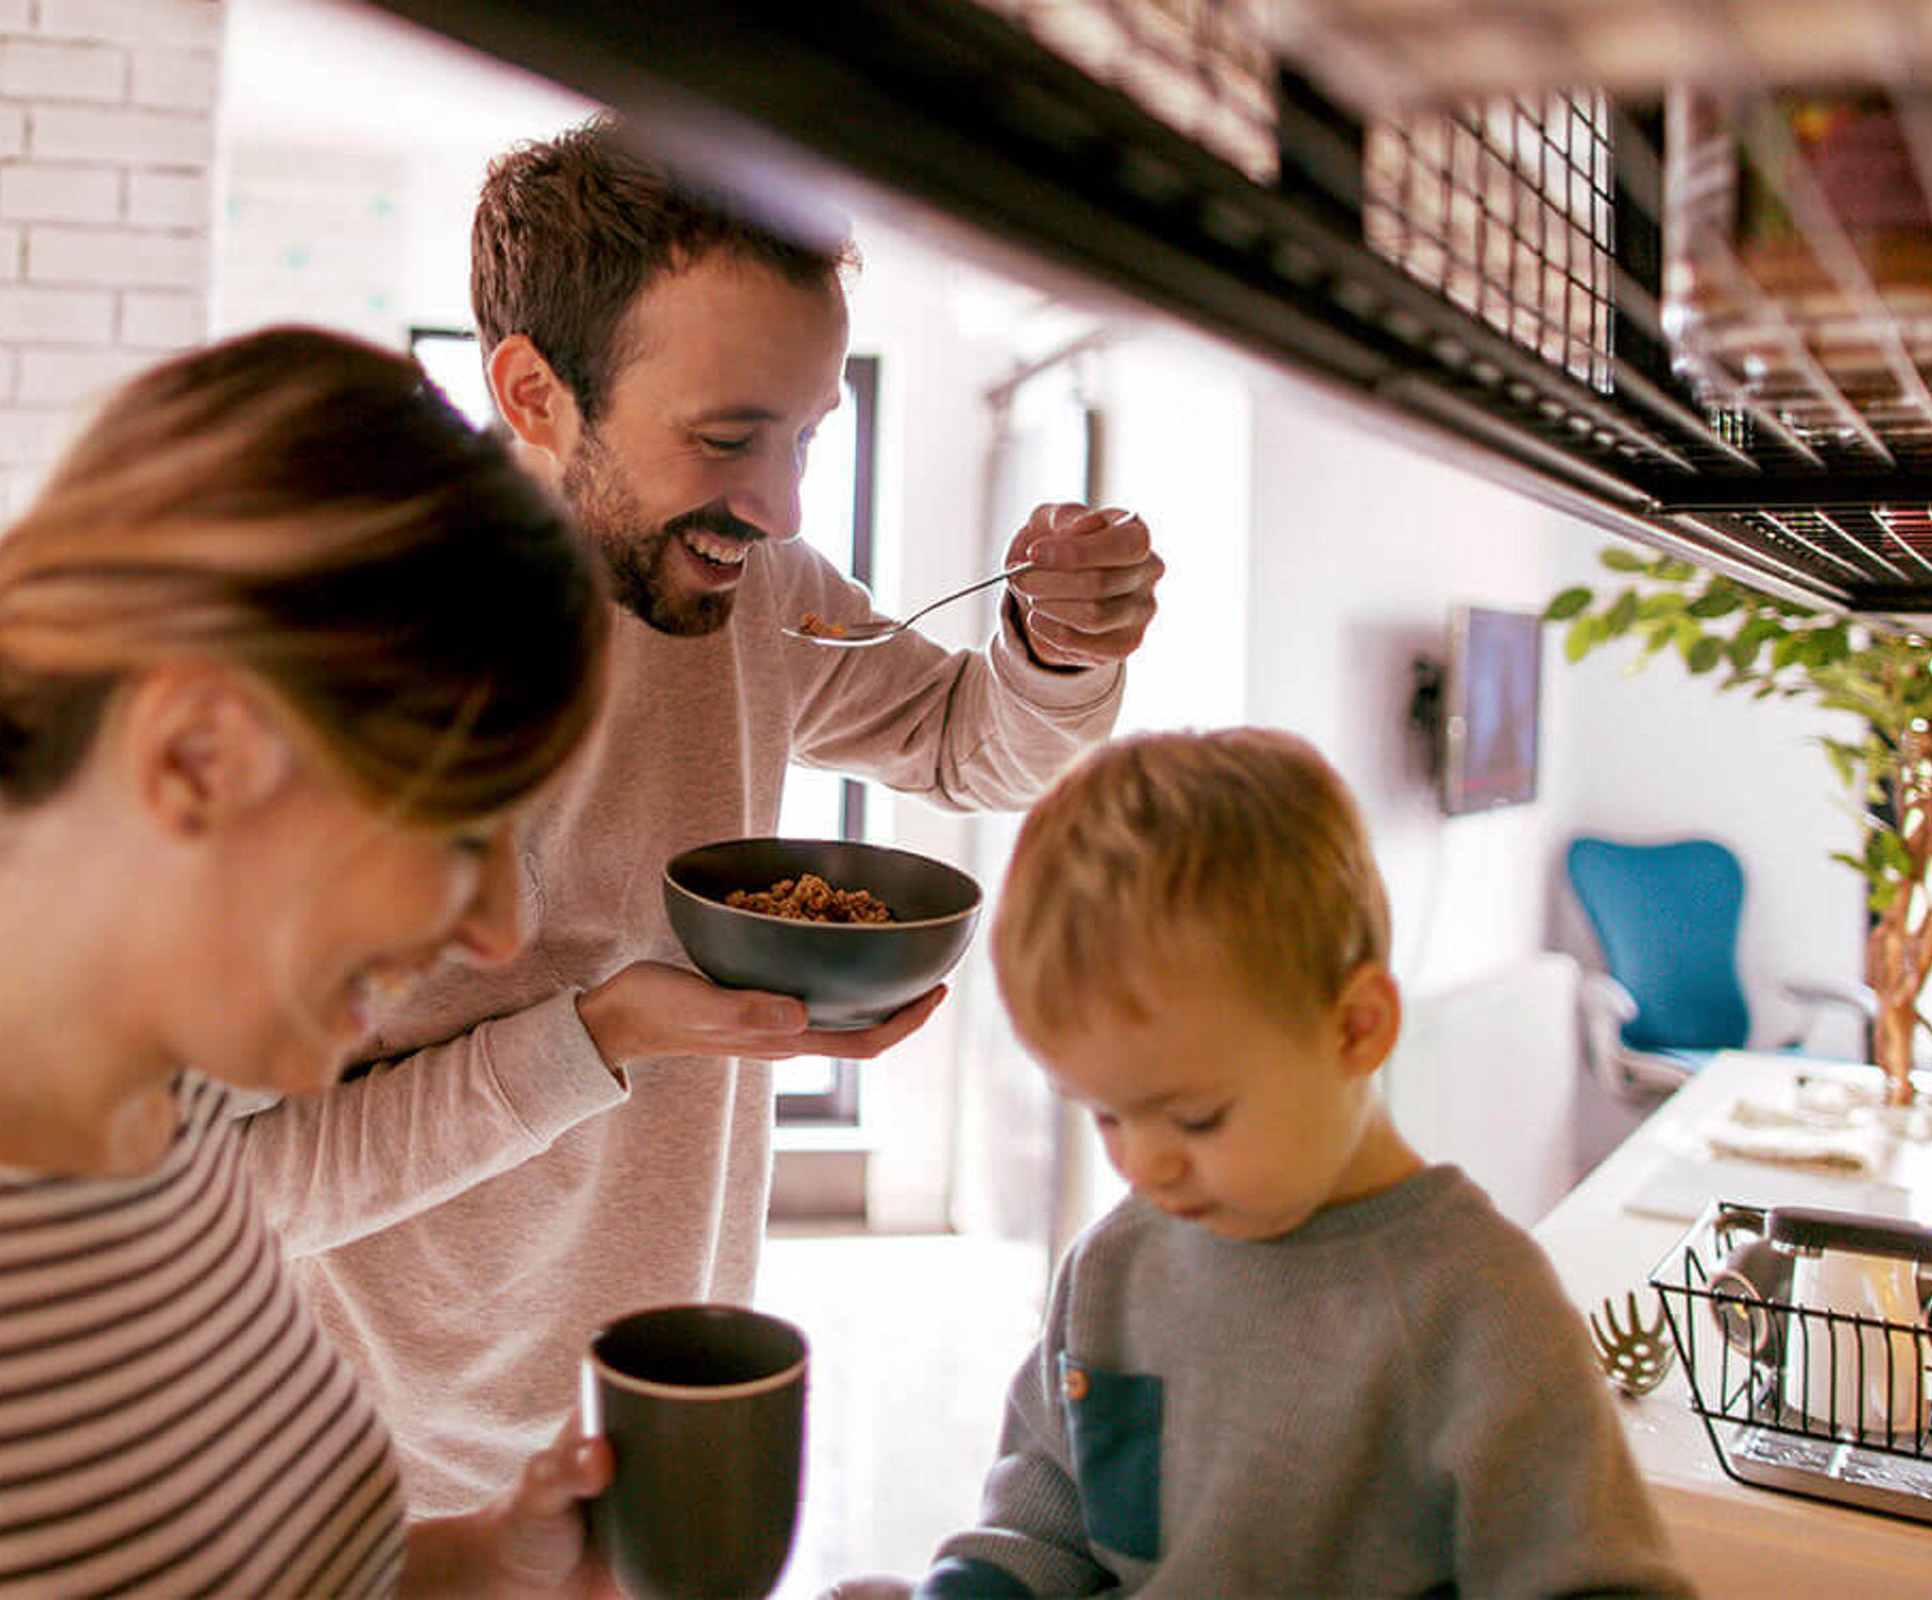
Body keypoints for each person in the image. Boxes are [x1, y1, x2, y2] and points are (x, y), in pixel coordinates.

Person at [232, 114, 1166, 1512]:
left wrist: (1065, 646)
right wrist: (607, 1030)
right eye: (731, 437)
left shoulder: (759, 592)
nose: (785, 508)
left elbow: (971, 745)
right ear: (535, 394)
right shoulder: (330, 659)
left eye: (808, 435)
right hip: (355, 1480)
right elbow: (237, 1193)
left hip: (657, 1414)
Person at [0, 327, 621, 1597]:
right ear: (196, 756)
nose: (500, 928)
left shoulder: (166, 1126)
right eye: (462, 828)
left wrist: (489, 1564)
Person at [874, 728, 1689, 1597]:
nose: (1144, 1166)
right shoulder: (1115, 1264)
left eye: (1194, 1117)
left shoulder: (1477, 1307)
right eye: (1108, 1115)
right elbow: (1037, 1525)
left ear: (1355, 1030)